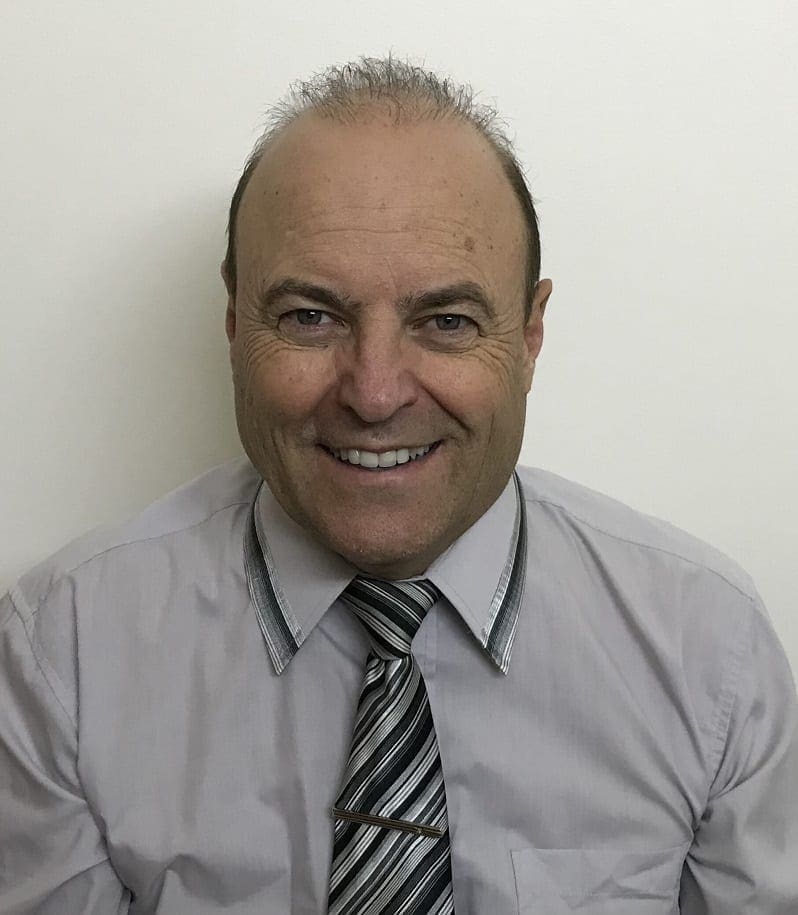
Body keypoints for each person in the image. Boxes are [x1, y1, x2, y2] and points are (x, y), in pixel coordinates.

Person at [1, 57, 796, 915]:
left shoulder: (713, 652)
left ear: (530, 335)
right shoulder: (67, 652)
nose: (375, 393)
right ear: (234, 320)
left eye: (446, 321)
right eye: (311, 316)